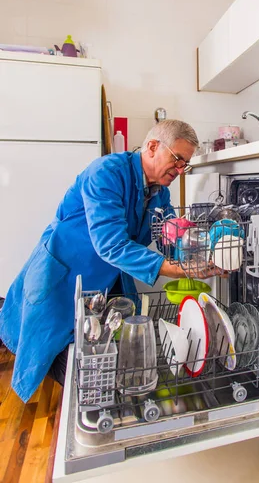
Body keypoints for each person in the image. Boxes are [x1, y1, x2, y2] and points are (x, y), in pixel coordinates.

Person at [0, 119, 210, 403]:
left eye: (185, 164)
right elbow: (111, 244)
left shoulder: (160, 191)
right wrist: (173, 269)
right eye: (178, 159)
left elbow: (167, 227)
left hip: (107, 276)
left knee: (96, 348)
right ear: (152, 146)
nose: (180, 170)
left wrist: (190, 239)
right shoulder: (106, 173)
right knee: (47, 343)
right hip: (65, 272)